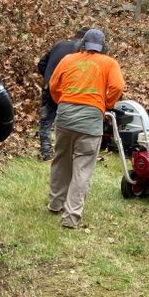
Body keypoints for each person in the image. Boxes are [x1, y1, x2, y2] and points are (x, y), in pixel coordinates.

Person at [47, 28, 125, 229]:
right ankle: (71, 216)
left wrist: (61, 102)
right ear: (103, 47)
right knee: (82, 167)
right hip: (90, 119)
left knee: (61, 159)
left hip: (65, 115)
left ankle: (55, 203)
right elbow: (117, 87)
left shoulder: (68, 59)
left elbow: (53, 85)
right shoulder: (109, 63)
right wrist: (106, 103)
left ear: (82, 44)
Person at [36, 28, 89, 160]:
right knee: (70, 121)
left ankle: (46, 152)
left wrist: (49, 77)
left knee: (46, 121)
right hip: (68, 91)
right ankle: (68, 152)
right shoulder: (83, 52)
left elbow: (41, 63)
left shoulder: (60, 44)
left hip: (49, 87)